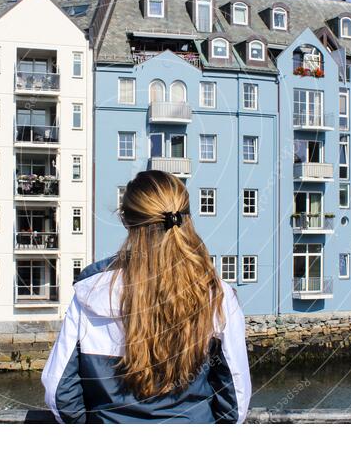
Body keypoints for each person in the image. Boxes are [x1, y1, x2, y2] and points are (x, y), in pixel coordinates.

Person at [41, 170, 251, 423]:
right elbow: (235, 397)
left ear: (126, 220)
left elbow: (59, 391)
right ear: (187, 218)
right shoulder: (215, 293)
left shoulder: (91, 291)